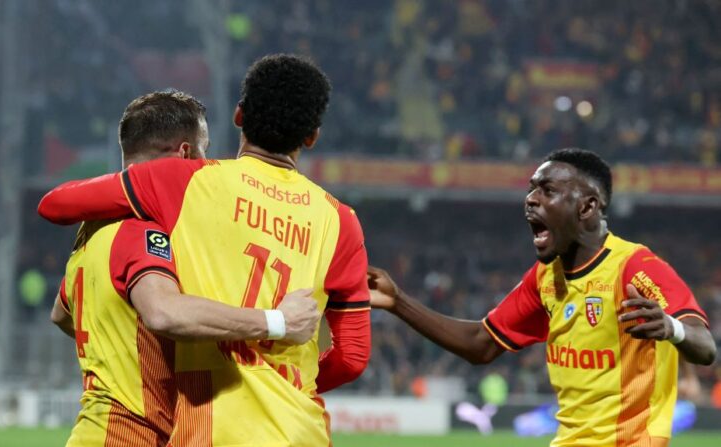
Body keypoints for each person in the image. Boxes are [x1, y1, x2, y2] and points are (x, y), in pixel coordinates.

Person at [39, 54, 371, 446]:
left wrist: (132, 193)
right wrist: (285, 381)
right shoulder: (342, 220)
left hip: (213, 424)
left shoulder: (187, 181)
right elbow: (352, 357)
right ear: (312, 136)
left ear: (239, 116)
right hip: (303, 429)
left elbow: (55, 204)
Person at [368, 148, 715, 447]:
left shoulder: (634, 267)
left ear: (587, 207)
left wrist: (671, 328)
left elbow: (705, 347)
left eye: (547, 190)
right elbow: (481, 342)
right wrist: (399, 302)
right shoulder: (546, 277)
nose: (531, 199)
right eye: (531, 189)